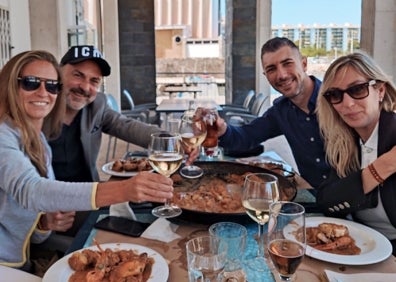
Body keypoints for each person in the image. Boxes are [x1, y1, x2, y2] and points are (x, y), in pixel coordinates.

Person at [0, 50, 175, 272]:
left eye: (51, 85)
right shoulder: (8, 133)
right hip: (11, 262)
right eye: (31, 83)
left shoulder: (38, 139)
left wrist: (172, 141)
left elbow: (127, 126)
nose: (43, 92)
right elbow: (33, 191)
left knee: (135, 235)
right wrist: (123, 189)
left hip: (37, 238)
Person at [47, 45, 197, 236]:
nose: (85, 87)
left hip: (90, 197)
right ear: (59, 72)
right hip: (53, 208)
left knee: (158, 219)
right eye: (77, 75)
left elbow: (126, 126)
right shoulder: (40, 109)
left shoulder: (97, 105)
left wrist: (172, 141)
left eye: (94, 81)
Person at [217, 37, 330, 189]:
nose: (281, 75)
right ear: (266, 76)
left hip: (356, 204)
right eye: (271, 69)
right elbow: (247, 136)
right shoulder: (281, 112)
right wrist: (222, 130)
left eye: (287, 64)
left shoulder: (337, 98)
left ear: (304, 64)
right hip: (314, 198)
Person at [316, 52, 396, 254]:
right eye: (335, 95)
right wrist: (383, 166)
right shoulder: (345, 142)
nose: (347, 103)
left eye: (358, 89)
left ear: (380, 91)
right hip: (364, 247)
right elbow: (327, 200)